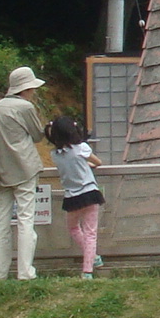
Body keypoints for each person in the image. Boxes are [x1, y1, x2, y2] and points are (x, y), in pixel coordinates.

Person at [0, 67, 46, 281]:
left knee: (1, 223)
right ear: (26, 88)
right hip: (25, 168)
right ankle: (25, 272)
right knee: (25, 219)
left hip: (0, 171)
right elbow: (38, 135)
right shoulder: (25, 107)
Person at [48, 115, 105, 279]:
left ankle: (93, 258)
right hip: (90, 193)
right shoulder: (81, 148)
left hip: (71, 196)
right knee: (91, 233)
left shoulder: (55, 154)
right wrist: (87, 165)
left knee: (73, 228)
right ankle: (88, 270)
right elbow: (98, 162)